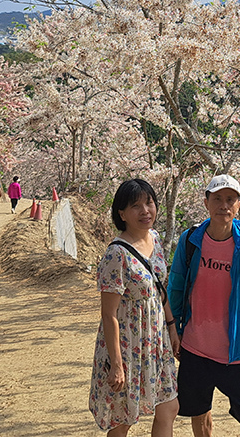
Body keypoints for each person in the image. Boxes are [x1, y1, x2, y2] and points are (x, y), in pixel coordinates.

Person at [168, 174, 240, 437]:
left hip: (234, 352)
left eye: (229, 199)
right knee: (199, 412)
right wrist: (173, 330)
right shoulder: (190, 241)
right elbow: (176, 287)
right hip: (194, 347)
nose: (223, 205)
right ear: (206, 203)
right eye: (217, 199)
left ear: (238, 205)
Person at [89, 178, 180, 436]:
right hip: (129, 345)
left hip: (156, 341)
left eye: (149, 203)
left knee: (169, 406)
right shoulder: (116, 254)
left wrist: (172, 328)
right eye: (136, 206)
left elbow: (159, 290)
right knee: (123, 417)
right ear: (122, 213)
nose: (145, 211)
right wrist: (117, 364)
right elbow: (109, 315)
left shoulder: (156, 239)